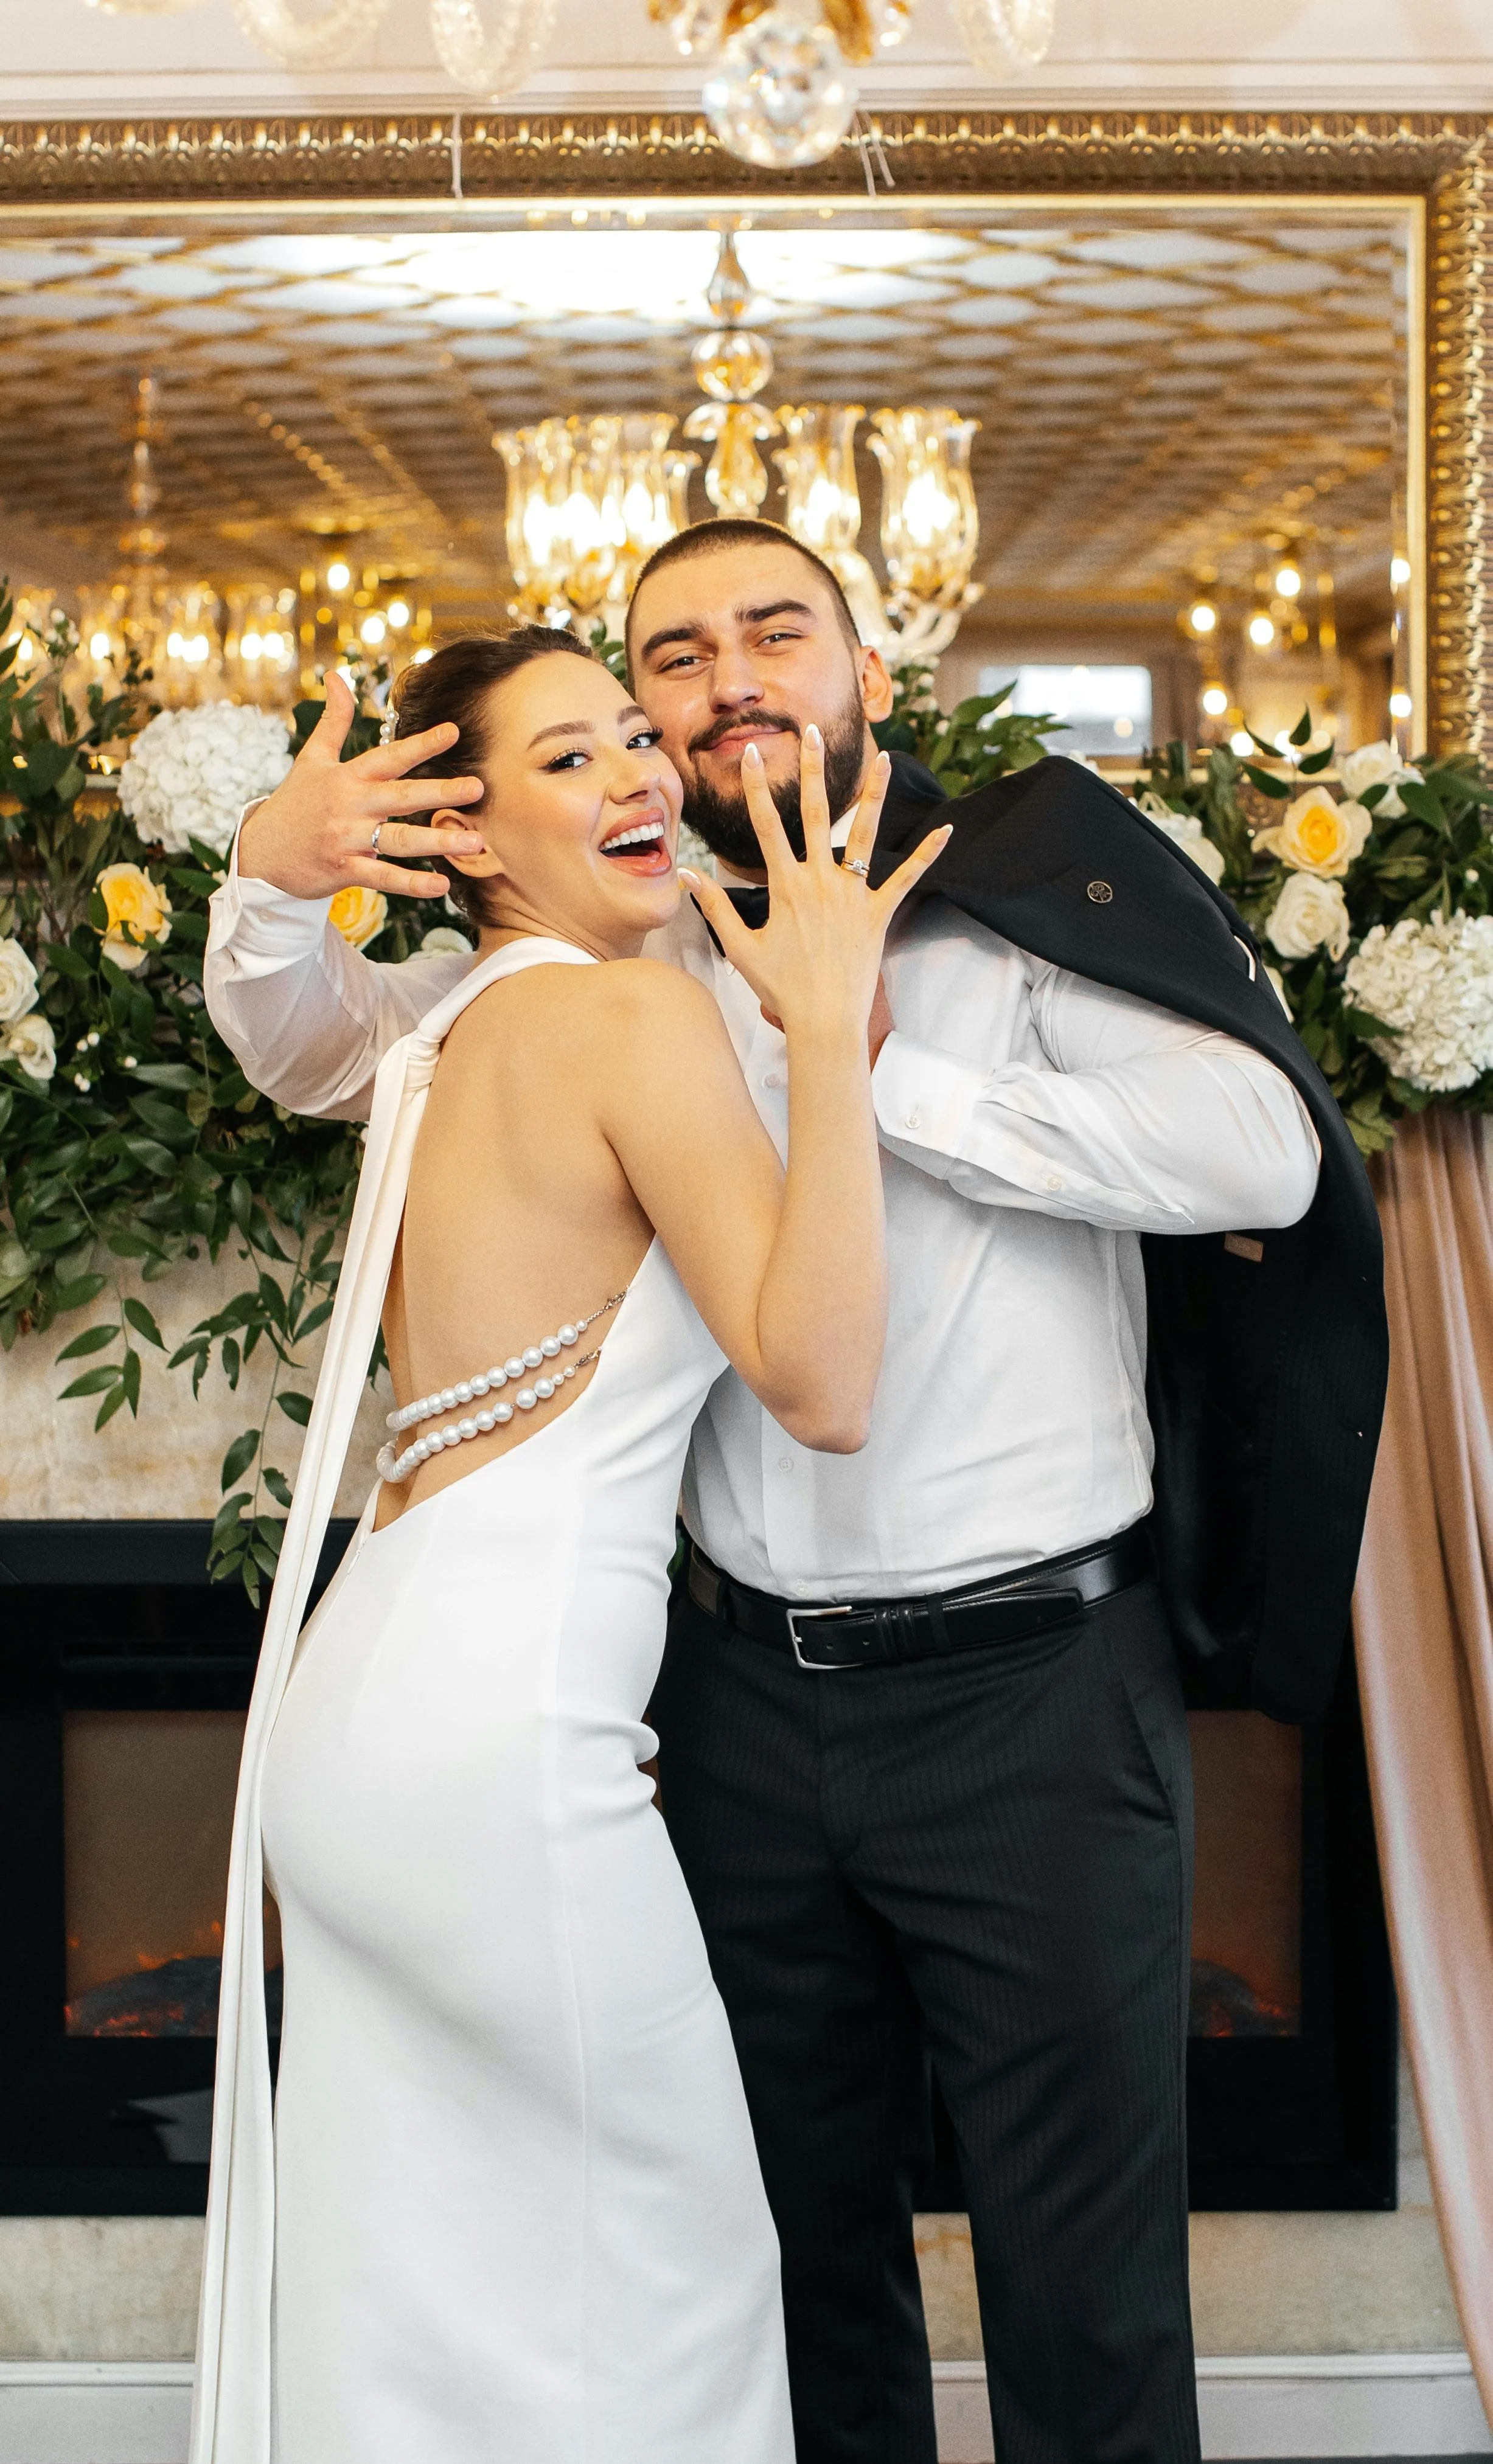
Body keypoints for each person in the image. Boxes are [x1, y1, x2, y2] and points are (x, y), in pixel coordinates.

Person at [204, 519, 1387, 2464]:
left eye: (774, 632)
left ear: (867, 669)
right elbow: (326, 1052)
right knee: (782, 2262)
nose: (727, 678)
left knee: (1079, 2291)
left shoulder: (1017, 893)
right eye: (672, 658)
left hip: (1031, 1693)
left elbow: (1262, 1156)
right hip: (731, 1702)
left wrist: (877, 1070)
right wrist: (268, 880)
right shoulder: (618, 945)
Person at [189, 622, 948, 2464]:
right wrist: (831, 1044)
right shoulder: (621, 1014)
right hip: (500, 1750)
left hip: (366, 1719)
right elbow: (823, 1379)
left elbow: (292, 1048)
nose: (634, 776)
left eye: (632, 737)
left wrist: (256, 894)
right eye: (567, 760)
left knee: (418, 2286)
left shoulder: (453, 1026)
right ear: (469, 836)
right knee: (670, 2272)